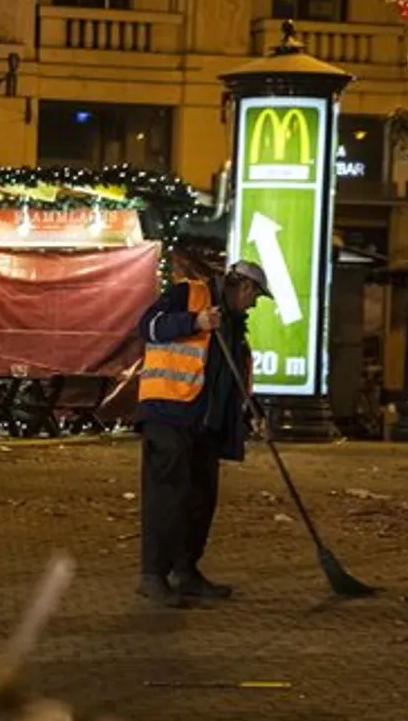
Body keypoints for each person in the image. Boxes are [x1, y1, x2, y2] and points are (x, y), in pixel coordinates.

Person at [134, 260, 270, 608]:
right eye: (255, 297)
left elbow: (231, 380)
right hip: (169, 413)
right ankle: (153, 575)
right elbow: (148, 326)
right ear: (243, 287)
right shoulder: (188, 295)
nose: (254, 305)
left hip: (205, 426)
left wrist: (254, 414)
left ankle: (185, 570)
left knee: (200, 500)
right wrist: (194, 321)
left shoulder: (234, 327)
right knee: (167, 498)